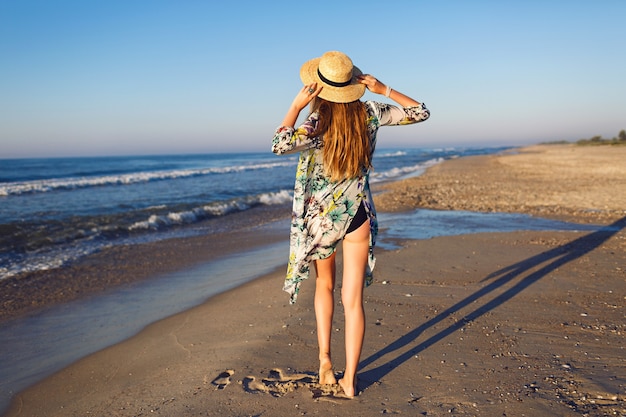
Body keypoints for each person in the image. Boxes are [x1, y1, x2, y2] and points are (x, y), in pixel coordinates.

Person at [271, 51, 430, 397]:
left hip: (323, 220)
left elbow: (280, 143)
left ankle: (326, 362)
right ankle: (350, 380)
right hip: (357, 216)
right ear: (351, 85)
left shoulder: (317, 123)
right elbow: (420, 112)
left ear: (320, 89)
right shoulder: (370, 113)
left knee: (324, 288)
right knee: (353, 300)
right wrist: (383, 88)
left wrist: (296, 106)